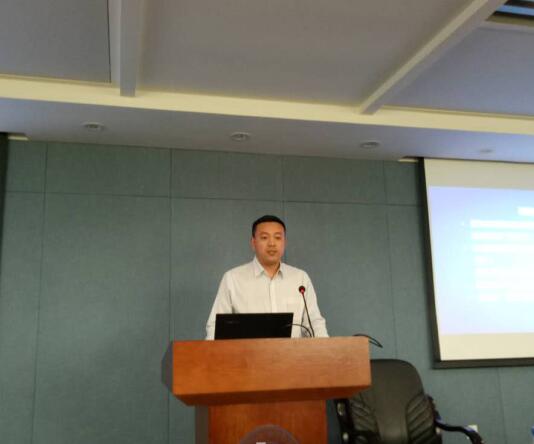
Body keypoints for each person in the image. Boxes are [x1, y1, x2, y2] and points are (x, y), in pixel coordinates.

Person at [205, 215, 328, 339]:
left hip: (291, 351)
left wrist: (325, 347)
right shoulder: (233, 279)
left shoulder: (300, 278)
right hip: (247, 351)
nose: (272, 243)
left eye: (278, 237)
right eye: (264, 237)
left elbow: (315, 323)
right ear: (253, 243)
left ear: (284, 242)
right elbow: (215, 327)